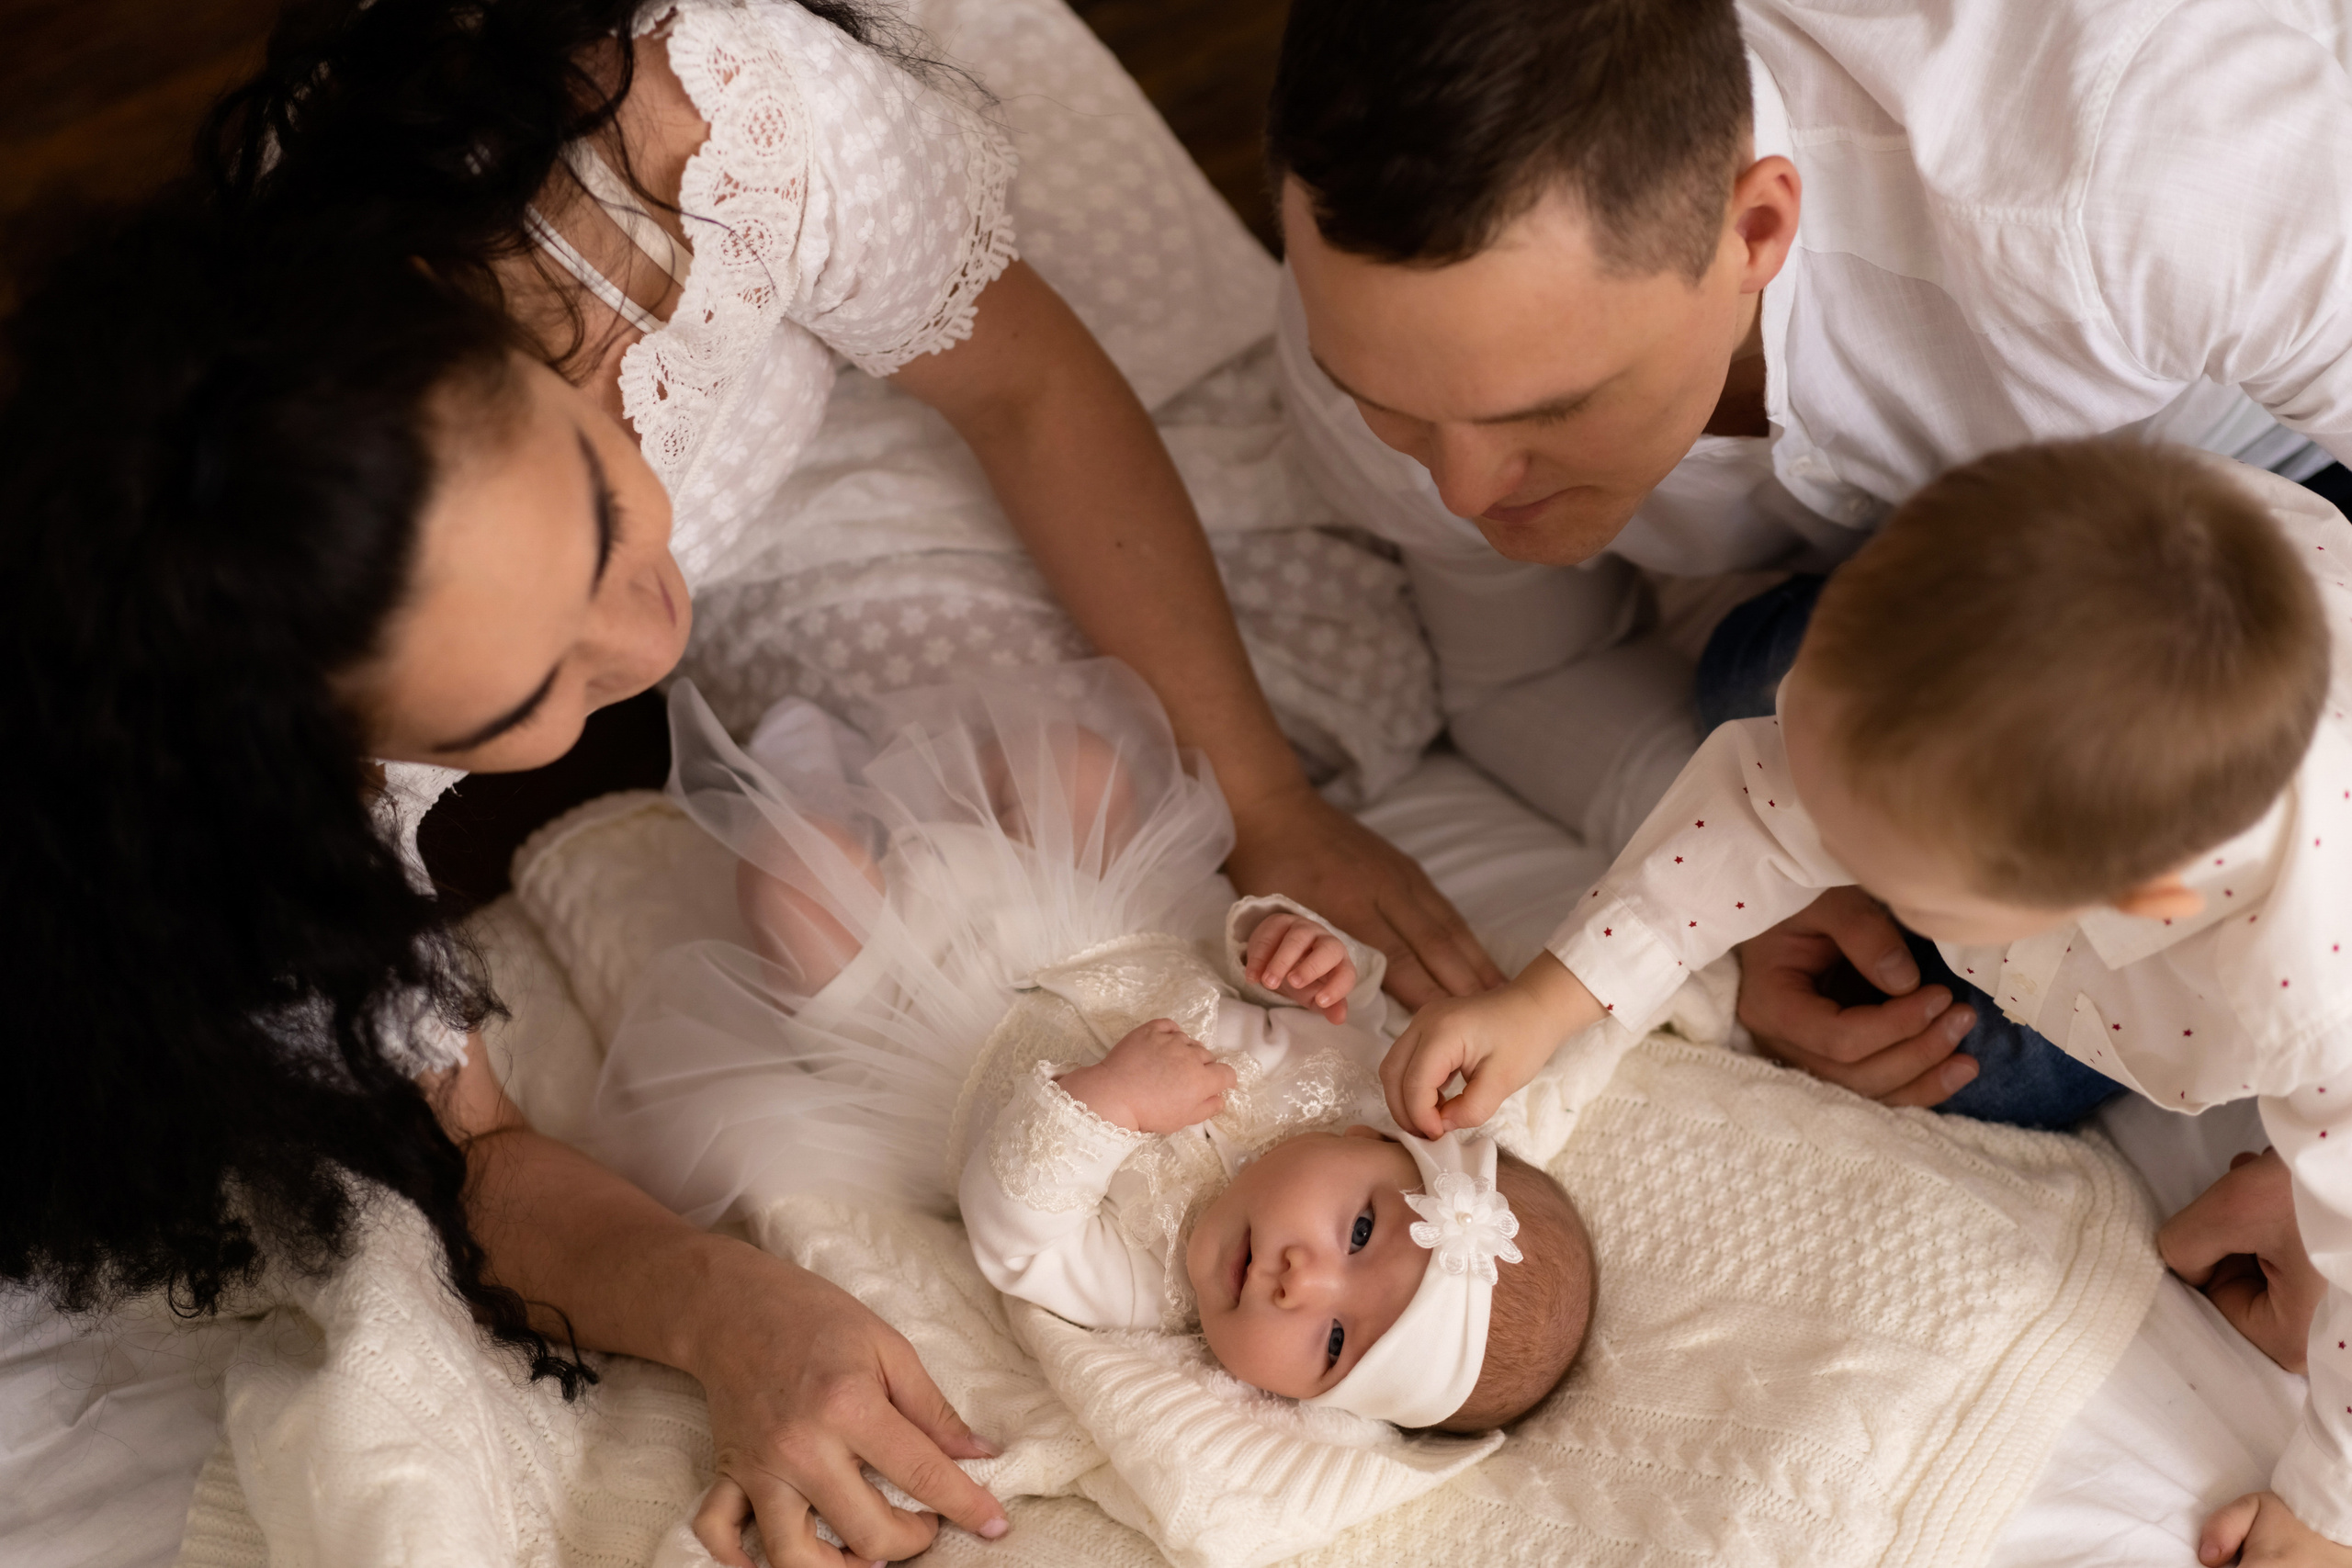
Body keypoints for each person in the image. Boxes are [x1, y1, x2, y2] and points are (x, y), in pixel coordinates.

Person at [0, 200, 1015, 1568]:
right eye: (538, 693)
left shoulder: (560, 254)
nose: (651, 625)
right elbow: (467, 1155)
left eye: (599, 501)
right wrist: (730, 1310)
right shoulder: (221, 878)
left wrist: (746, 1311)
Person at [207, 0, 1498, 1007]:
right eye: (527, 691)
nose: (653, 653)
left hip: (886, 263)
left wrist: (1267, 804)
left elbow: (1027, 387)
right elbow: (383, 1023)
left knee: (1259, 697)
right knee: (972, 881)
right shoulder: (296, 614)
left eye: (597, 520)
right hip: (793, 465)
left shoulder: (702, 137)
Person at [1264, 0, 2352, 1108]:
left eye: (1551, 410)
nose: (1462, 491)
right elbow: (1544, 683)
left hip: (2300, 491)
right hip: (2040, 621)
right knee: (1805, 767)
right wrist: (1747, 908)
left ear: (1755, 229)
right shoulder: (1373, 334)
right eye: (1386, 408)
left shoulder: (2143, 156)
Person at [1377, 441, 2352, 1562]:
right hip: (2213, 631)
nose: (1811, 838)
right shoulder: (2090, 593)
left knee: (1987, 1070)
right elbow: (1761, 797)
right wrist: (1553, 999)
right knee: (1756, 689)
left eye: (1886, 867)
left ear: (2128, 899)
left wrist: (2322, 1513)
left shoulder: (2303, 1001)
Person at [589, 661, 1593, 1440]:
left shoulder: (1144, 1286)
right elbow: (1291, 969)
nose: (1301, 1281)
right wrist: (1288, 951)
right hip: (1100, 912)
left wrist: (1105, 1107)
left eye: (1332, 1343)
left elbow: (1016, 1232)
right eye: (1362, 1235)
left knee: (795, 882)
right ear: (1387, 1145)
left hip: (929, 1032)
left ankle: (799, 778)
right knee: (1080, 764)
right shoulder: (1333, 1080)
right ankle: (870, 751)